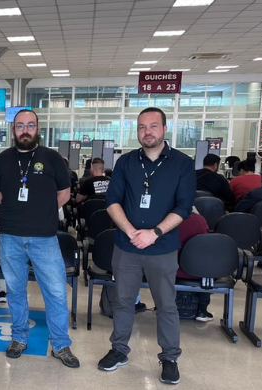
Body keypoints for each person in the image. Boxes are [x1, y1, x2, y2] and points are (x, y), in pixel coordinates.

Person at [100, 107, 194, 385]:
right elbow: (112, 201)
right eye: (141, 127)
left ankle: (169, 357)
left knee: (166, 304)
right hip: (126, 246)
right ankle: (119, 350)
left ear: (165, 129)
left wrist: (154, 233)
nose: (147, 132)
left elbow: (184, 207)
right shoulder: (126, 162)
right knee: (123, 301)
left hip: (162, 247)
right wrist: (131, 232)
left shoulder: (182, 163)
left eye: (153, 126)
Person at [0, 110, 80, 367]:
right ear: (13, 129)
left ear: (38, 128)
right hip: (9, 237)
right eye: (20, 126)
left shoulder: (51, 158)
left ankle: (61, 344)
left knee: (55, 293)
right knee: (16, 291)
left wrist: (43, 211)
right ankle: (19, 337)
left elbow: (64, 192)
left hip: (44, 238)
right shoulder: (3, 159)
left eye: (30, 125)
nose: (25, 130)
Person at [176, 208, 212, 322]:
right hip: (198, 271)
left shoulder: (166, 220)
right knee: (208, 270)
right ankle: (202, 310)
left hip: (173, 270)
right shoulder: (200, 220)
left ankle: (162, 307)